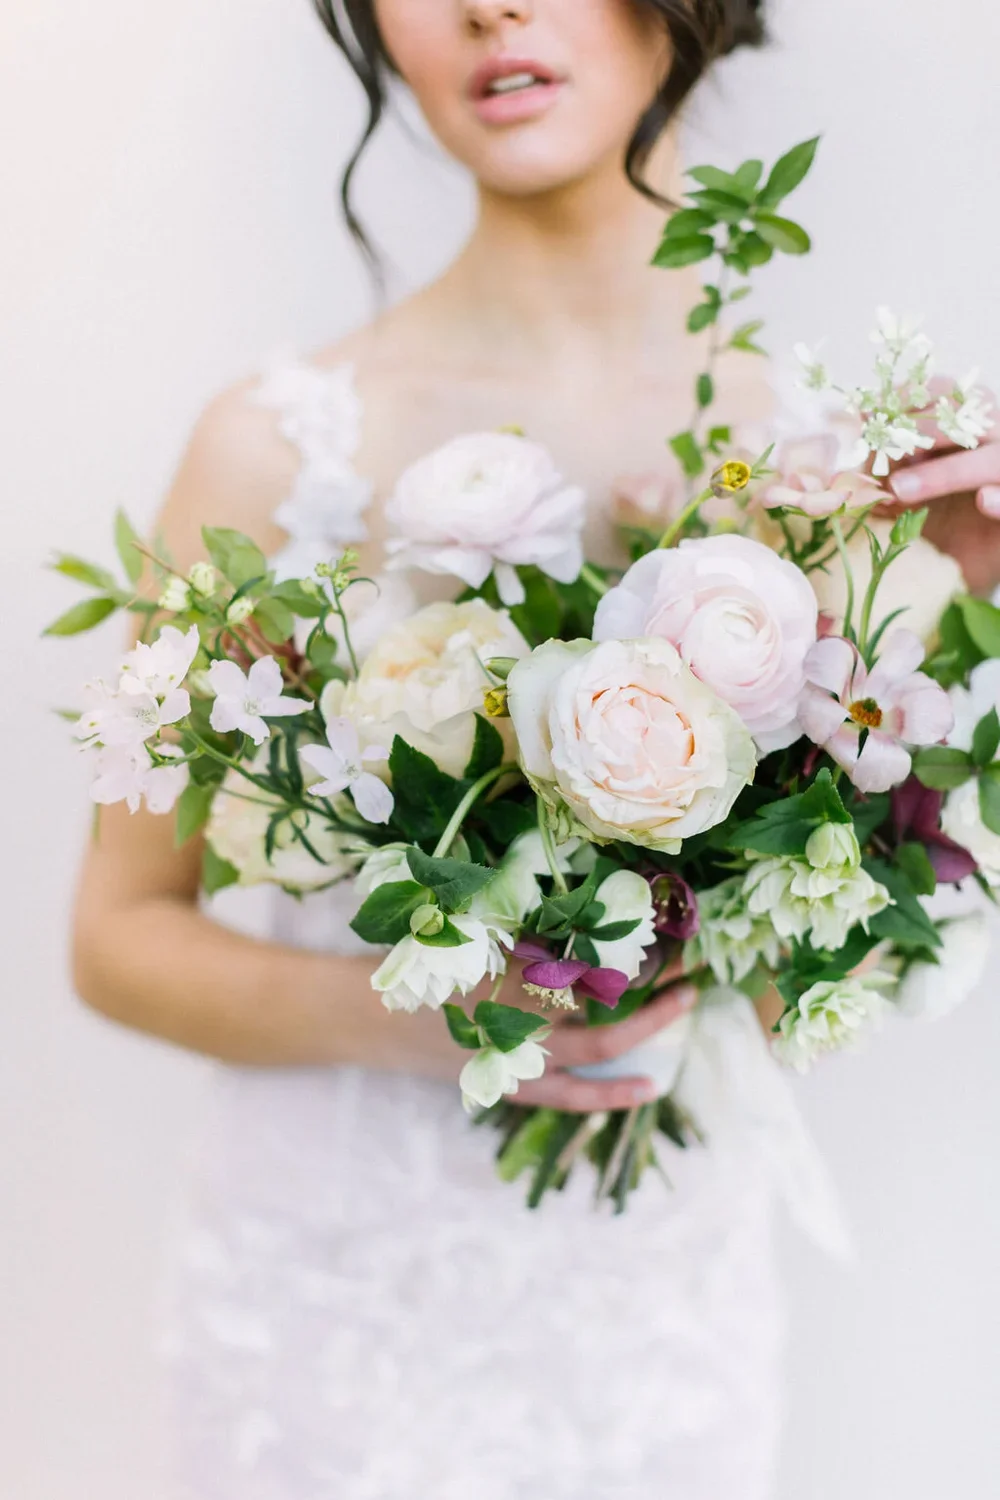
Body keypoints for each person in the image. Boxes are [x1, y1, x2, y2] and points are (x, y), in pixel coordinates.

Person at [70, 3, 1000, 1497]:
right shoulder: (275, 451)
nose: (487, 6)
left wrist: (937, 597)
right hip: (332, 1314)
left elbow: (829, 953)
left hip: (657, 1325)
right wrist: (453, 1017)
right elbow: (119, 938)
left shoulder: (836, 472)